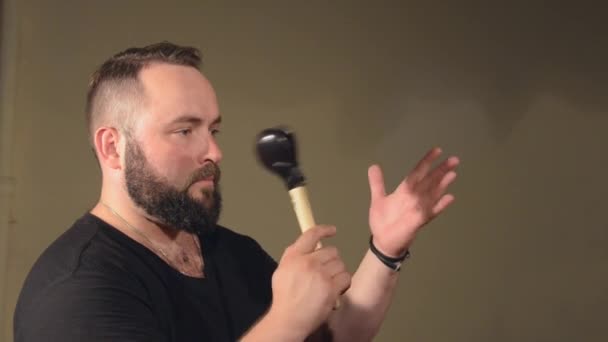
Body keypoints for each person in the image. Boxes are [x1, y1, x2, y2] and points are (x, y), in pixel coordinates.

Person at [13, 42, 459, 341]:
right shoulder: (75, 292)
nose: (214, 152)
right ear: (113, 147)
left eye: (214, 129)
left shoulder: (230, 253)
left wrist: (385, 250)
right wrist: (284, 321)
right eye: (185, 130)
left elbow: (337, 335)